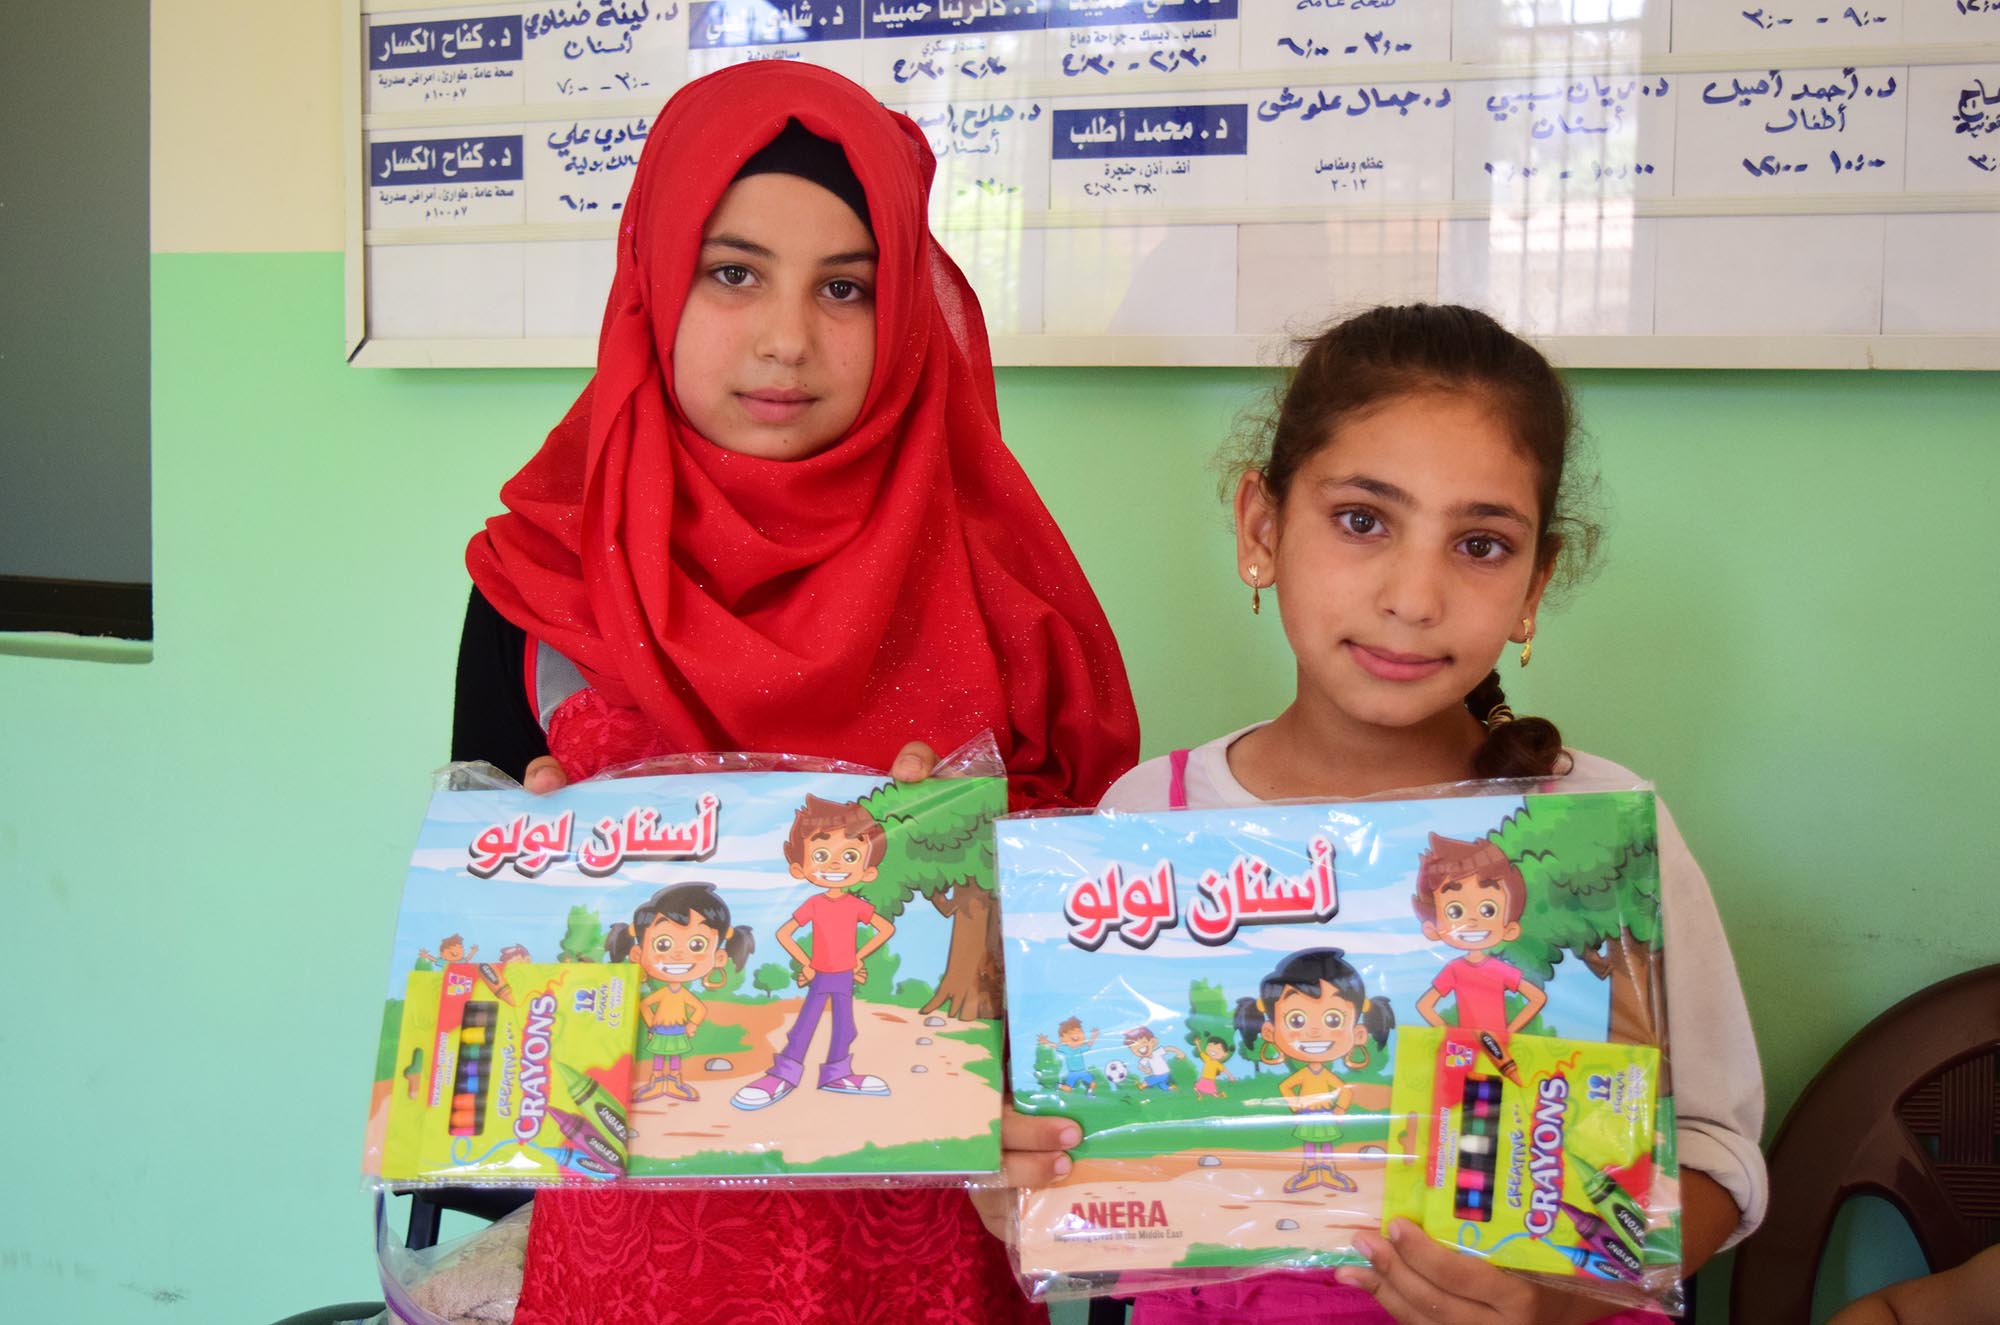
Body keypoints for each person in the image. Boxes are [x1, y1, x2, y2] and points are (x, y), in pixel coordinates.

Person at [451, 60, 1138, 1325]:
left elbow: (1099, 972)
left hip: (931, 1254)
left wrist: (980, 886)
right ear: (654, 277)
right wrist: (542, 870)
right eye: (733, 271)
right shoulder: (545, 580)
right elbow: (489, 978)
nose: (786, 338)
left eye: (845, 287)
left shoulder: (1006, 593)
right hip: (629, 1263)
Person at [995, 304, 1766, 1324]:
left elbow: (1712, 1153)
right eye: (1362, 519)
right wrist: (1027, 1167)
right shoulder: (1151, 819)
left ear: (1534, 585)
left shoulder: (1590, 827)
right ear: (1260, 528)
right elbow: (1082, 1165)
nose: (1412, 594)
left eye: (1480, 544)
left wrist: (1558, 1301)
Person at [1235, 948, 1394, 1194]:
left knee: (1327, 1144)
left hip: (1325, 1113)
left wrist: (1339, 1109)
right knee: (1310, 1143)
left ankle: (1328, 1170)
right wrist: (1296, 1105)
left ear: (1358, 1032)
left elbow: (1342, 1090)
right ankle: (1310, 1171)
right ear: (1270, 1031)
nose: (1315, 1032)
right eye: (1296, 1020)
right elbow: (1284, 1086)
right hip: (1310, 1113)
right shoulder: (1304, 1075)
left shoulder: (1325, 1075)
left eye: (1333, 1020)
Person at [606, 883, 753, 1104]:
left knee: (674, 1057)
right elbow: (645, 1006)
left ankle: (673, 1080)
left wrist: (692, 1025)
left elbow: (699, 1009)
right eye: (663, 944)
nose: (677, 954)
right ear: (637, 953)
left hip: (677, 1030)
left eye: (697, 944)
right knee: (658, 1056)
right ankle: (657, 1080)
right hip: (661, 1030)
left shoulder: (681, 995)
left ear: (719, 957)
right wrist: (651, 1023)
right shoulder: (665, 994)